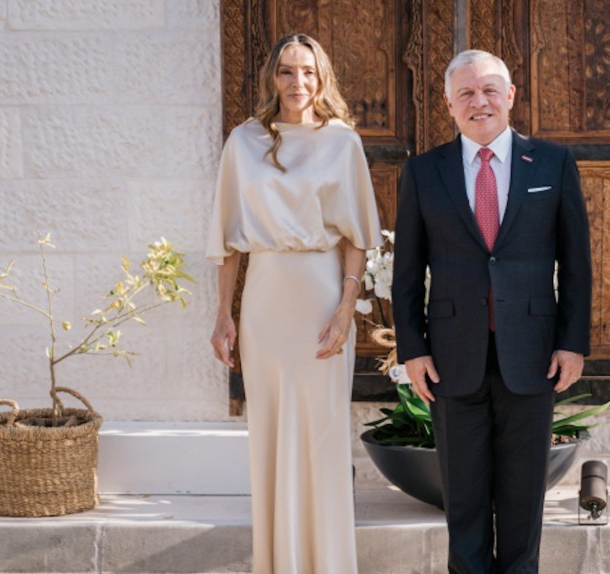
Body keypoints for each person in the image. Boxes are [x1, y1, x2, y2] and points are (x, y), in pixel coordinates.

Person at [392, 50, 592, 573]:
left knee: (524, 506)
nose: (479, 102)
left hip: (532, 359)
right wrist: (412, 350)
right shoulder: (422, 172)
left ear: (511, 97)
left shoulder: (552, 163)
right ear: (449, 104)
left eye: (489, 91)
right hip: (452, 362)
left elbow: (576, 265)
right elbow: (408, 273)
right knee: (465, 505)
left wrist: (572, 343)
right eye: (466, 93)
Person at [206, 33, 381, 574]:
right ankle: (277, 562)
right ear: (272, 77)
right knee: (271, 433)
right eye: (286, 71)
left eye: (307, 71)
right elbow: (228, 239)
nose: (297, 82)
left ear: (322, 76)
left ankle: (327, 563)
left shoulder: (343, 141)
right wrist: (222, 315)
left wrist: (347, 306)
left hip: (322, 293)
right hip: (264, 300)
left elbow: (357, 236)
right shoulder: (243, 141)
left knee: (322, 432)